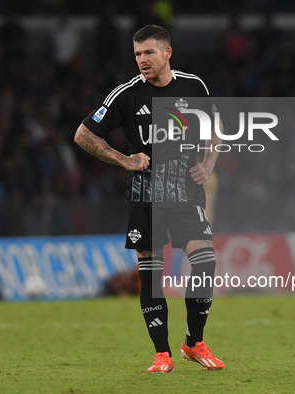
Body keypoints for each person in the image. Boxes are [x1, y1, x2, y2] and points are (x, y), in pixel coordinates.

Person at [74, 25, 224, 373]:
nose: (142, 60)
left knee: (205, 264)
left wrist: (208, 162)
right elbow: (83, 134)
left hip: (186, 194)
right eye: (138, 54)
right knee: (151, 276)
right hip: (146, 197)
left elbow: (215, 129)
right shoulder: (126, 94)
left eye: (149, 53)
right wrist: (124, 160)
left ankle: (193, 343)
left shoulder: (193, 86)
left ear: (167, 53)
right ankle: (162, 354)